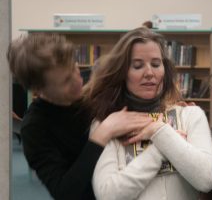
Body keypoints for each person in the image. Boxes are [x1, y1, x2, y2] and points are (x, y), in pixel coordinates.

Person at [7, 33, 152, 200]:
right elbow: (65, 192)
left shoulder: (92, 87)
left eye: (74, 68)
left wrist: (178, 112)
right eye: (66, 81)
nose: (78, 80)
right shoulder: (34, 128)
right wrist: (102, 133)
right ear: (39, 90)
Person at [83, 27, 212, 200]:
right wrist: (159, 150)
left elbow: (206, 179)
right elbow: (108, 194)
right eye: (137, 66)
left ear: (164, 70)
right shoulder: (106, 125)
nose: (149, 73)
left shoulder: (190, 115)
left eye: (155, 64)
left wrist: (159, 130)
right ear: (123, 73)